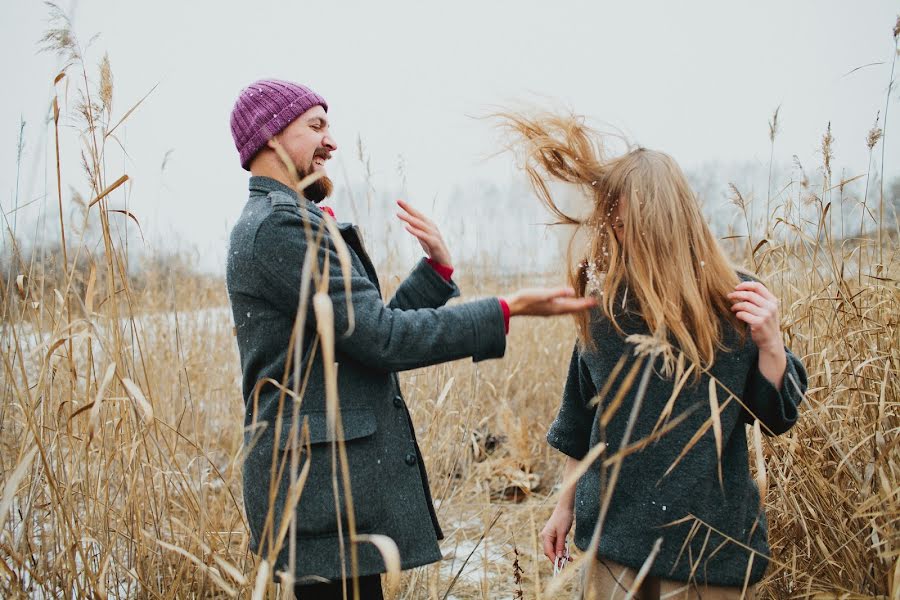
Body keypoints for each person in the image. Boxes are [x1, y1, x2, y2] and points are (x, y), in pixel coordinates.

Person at [225, 79, 596, 599]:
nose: (332, 142)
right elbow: (381, 340)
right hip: (317, 492)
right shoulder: (279, 228)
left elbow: (361, 340)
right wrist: (506, 310)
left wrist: (436, 273)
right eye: (316, 126)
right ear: (268, 135)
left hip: (327, 491)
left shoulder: (286, 222)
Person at [500, 111, 807, 599]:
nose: (624, 238)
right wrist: (563, 508)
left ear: (672, 219)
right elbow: (581, 425)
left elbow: (775, 418)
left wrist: (771, 343)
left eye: (635, 225)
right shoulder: (603, 309)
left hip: (707, 551)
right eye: (616, 227)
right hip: (613, 546)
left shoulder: (737, 300)